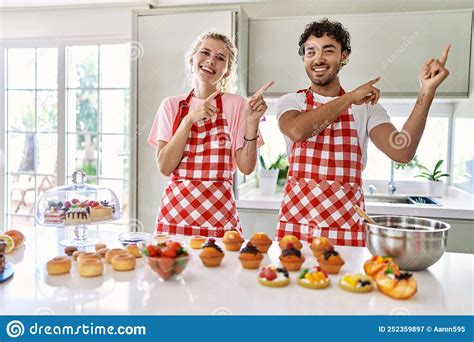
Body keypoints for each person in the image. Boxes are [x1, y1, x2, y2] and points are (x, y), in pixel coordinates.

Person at [276, 19, 450, 246]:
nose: (318, 59)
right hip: (296, 228)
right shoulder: (292, 102)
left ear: (344, 56)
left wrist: (427, 92)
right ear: (304, 58)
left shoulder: (366, 108)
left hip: (345, 230)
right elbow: (297, 130)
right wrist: (349, 98)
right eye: (311, 52)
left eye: (328, 51)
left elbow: (402, 150)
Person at [147, 32, 273, 237]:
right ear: (192, 58)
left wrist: (252, 122)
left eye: (220, 58)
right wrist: (188, 119)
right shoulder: (171, 105)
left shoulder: (237, 105)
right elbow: (165, 166)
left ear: (226, 71)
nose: (210, 61)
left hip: (219, 218)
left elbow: (246, 167)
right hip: (175, 217)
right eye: (205, 52)